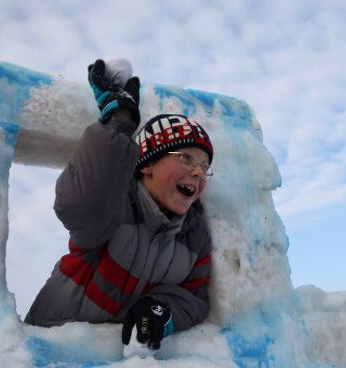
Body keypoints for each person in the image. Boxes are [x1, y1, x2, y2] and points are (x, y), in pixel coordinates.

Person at [25, 59, 214, 351]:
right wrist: (119, 123)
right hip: (51, 346)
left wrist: (161, 308)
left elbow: (195, 298)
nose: (198, 172)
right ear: (147, 165)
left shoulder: (194, 235)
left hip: (116, 356)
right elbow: (79, 202)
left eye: (204, 166)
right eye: (186, 158)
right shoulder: (116, 203)